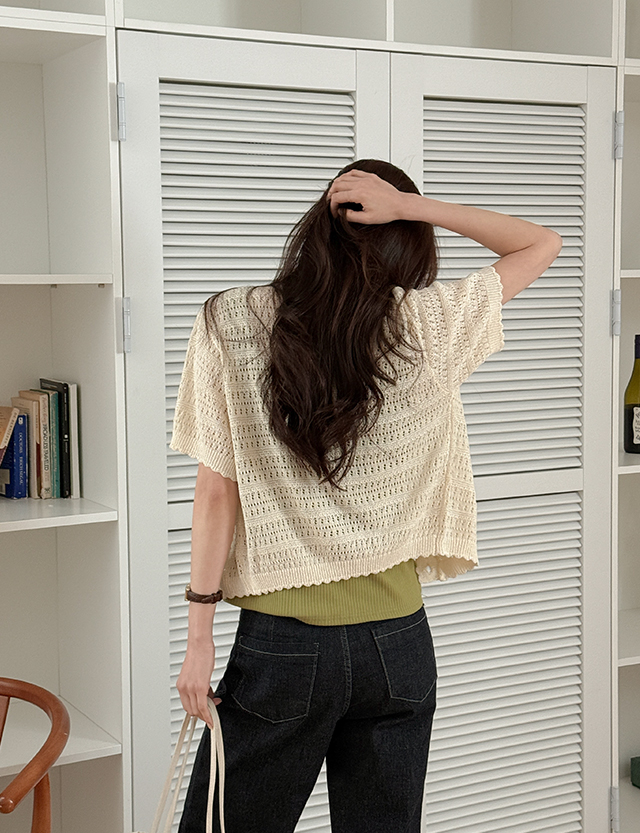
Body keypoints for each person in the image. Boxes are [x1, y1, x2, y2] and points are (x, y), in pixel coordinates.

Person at [169, 159, 563, 833]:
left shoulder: (231, 320)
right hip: (398, 646)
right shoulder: (430, 324)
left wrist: (198, 638)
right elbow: (540, 242)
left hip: (283, 649)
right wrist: (411, 206)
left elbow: (215, 494)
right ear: (405, 241)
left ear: (316, 231)